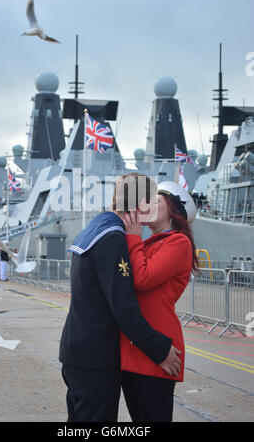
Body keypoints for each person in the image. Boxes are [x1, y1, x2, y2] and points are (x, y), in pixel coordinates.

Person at [59, 174, 182, 422]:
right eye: (153, 200)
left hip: (78, 352)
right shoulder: (113, 239)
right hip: (96, 359)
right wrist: (160, 350)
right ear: (141, 205)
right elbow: (123, 308)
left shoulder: (97, 227)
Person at [120, 180, 198, 422]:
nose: (148, 204)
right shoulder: (145, 244)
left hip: (159, 349)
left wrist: (132, 236)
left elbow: (142, 279)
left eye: (156, 201)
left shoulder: (178, 243)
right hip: (133, 347)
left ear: (173, 209)